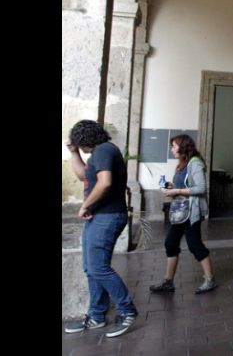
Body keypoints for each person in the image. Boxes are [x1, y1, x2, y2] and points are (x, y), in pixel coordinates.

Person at [64, 120, 138, 338]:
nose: (80, 147)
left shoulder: (105, 150)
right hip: (98, 216)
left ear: (86, 140)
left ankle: (127, 310)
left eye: (79, 144)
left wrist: (85, 205)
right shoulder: (98, 153)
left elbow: (105, 183)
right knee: (91, 267)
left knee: (98, 268)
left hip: (108, 216)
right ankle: (96, 315)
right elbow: (83, 176)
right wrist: (74, 152)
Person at [149, 134, 218, 295]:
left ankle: (210, 279)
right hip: (180, 212)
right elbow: (184, 185)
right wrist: (171, 186)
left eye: (174, 146)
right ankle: (168, 282)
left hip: (191, 212)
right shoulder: (182, 164)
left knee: (195, 245)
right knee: (170, 243)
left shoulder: (195, 163)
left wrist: (177, 191)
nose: (172, 149)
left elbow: (201, 188)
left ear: (183, 147)